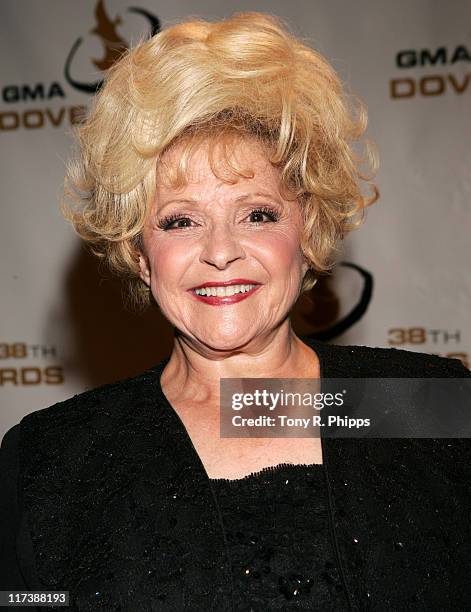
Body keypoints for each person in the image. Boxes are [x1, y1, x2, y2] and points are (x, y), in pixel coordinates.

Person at [1, 11, 470, 612]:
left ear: (309, 233)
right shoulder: (52, 461)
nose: (221, 252)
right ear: (140, 254)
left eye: (257, 214)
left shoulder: (429, 409)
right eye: (180, 220)